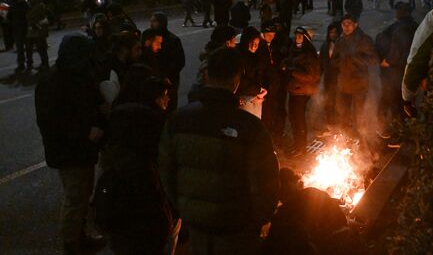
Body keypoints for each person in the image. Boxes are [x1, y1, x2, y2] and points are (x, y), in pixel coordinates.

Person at [159, 47, 279, 255]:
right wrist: (260, 220)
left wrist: (184, 208)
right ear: (236, 80)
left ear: (206, 75)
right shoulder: (250, 127)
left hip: (195, 221)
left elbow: (166, 173)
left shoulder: (178, 119)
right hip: (236, 228)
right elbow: (266, 183)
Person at [35, 34, 107, 254]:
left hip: (82, 148)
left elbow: (91, 103)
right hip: (68, 151)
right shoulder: (52, 82)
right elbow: (52, 122)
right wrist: (86, 132)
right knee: (75, 197)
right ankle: (72, 244)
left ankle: (80, 236)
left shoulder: (80, 74)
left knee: (83, 193)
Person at [99, 65, 173, 254]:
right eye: (164, 95)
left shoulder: (120, 115)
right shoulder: (152, 123)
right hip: (147, 215)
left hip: (121, 218)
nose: (168, 99)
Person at [264, 168, 361, 255]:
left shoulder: (310, 195)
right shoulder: (282, 214)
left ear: (293, 182)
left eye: (286, 183)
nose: (283, 189)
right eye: (280, 187)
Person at [333, 14, 378, 140]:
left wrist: (356, 58)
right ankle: (346, 141)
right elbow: (334, 60)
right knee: (343, 116)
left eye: (349, 23)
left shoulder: (364, 40)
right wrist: (340, 61)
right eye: (344, 24)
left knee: (359, 117)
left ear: (355, 25)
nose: (346, 27)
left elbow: (374, 59)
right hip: (343, 85)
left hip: (359, 86)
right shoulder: (340, 41)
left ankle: (361, 141)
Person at [375, 2, 418, 137]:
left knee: (394, 102)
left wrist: (387, 61)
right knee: (405, 101)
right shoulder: (415, 26)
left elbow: (397, 50)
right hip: (410, 70)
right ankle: (407, 130)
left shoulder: (400, 29)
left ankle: (396, 133)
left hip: (395, 73)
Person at [283, 27, 321, 156]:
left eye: (300, 36)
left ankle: (301, 148)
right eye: (296, 36)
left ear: (306, 38)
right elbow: (290, 61)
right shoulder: (295, 49)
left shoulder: (309, 54)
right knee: (293, 119)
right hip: (294, 89)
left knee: (298, 120)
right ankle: (297, 145)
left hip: (302, 91)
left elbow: (312, 76)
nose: (297, 38)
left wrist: (292, 72)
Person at [187, 25, 238, 103]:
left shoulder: (213, 58)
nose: (235, 45)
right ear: (227, 43)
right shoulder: (213, 62)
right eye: (234, 41)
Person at [150, 11, 186, 112]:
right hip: (154, 77)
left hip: (169, 79)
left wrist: (167, 75)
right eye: (151, 21)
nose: (151, 24)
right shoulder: (150, 38)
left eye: (154, 21)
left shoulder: (173, 40)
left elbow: (179, 61)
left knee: (170, 104)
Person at [237, 26, 267, 118]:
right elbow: (240, 81)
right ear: (246, 41)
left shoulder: (257, 57)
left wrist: (262, 92)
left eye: (257, 44)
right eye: (252, 43)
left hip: (257, 98)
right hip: (244, 100)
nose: (254, 46)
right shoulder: (238, 57)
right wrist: (257, 91)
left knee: (256, 127)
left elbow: (260, 76)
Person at [320, 22, 342, 134]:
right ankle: (330, 124)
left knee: (340, 103)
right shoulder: (325, 45)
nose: (332, 34)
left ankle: (340, 127)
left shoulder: (343, 45)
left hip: (340, 79)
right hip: (328, 79)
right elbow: (321, 62)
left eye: (334, 32)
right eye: (331, 32)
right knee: (329, 102)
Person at [25, 0, 49, 71]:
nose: (29, 0)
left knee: (41, 48)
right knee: (34, 48)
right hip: (33, 31)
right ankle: (41, 63)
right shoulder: (33, 6)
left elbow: (29, 15)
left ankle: (45, 64)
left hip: (39, 31)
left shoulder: (39, 6)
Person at [8, 0, 29, 72]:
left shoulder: (15, 6)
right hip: (20, 29)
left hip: (21, 28)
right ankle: (23, 64)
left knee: (25, 48)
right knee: (21, 48)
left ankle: (24, 64)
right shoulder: (26, 5)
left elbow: (9, 17)